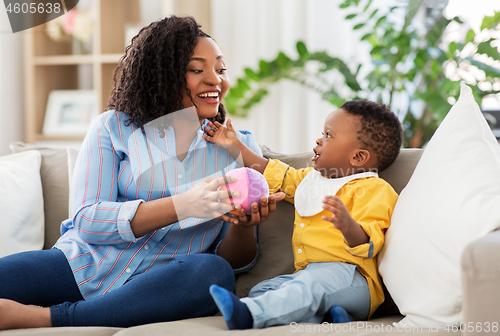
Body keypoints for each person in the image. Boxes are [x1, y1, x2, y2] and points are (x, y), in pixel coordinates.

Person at [0, 16, 285, 330]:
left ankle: (50, 318)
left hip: (160, 285)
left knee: (214, 272)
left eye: (220, 69)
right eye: (197, 69)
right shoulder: (112, 127)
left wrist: (244, 227)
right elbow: (88, 221)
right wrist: (184, 205)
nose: (215, 80)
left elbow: (234, 261)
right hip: (80, 265)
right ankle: (97, 312)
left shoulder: (238, 147)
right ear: (163, 74)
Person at [204, 99, 403, 329]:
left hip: (352, 280)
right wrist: (234, 145)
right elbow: (271, 171)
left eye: (329, 135)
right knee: (263, 289)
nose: (319, 139)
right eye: (322, 133)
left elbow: (370, 243)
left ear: (358, 157)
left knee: (308, 286)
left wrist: (347, 225)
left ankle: (249, 315)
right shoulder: (308, 180)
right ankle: (335, 318)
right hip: (309, 276)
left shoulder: (374, 189)